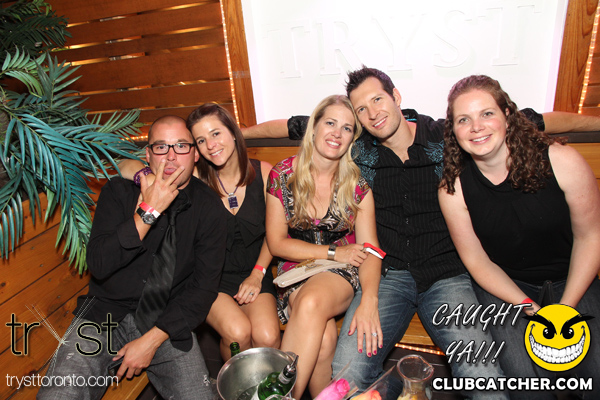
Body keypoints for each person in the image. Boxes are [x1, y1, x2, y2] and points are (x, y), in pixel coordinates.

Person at [37, 116, 227, 399]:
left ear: (195, 154)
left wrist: (151, 341)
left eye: (181, 146)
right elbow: (99, 264)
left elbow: (203, 288)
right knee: (59, 394)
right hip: (103, 316)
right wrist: (148, 212)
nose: (171, 156)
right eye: (161, 147)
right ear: (147, 155)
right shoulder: (118, 192)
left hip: (166, 323)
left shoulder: (209, 208)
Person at [438, 75, 600, 399]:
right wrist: (527, 306)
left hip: (573, 278)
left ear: (507, 116)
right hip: (507, 289)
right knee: (526, 385)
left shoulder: (561, 160)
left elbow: (591, 237)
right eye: (463, 120)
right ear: (453, 131)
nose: (476, 127)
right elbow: (478, 262)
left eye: (487, 114)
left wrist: (565, 310)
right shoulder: (452, 190)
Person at [119, 104, 280, 362]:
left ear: (234, 132)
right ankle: (234, 383)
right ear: (195, 150)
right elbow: (121, 163)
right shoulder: (192, 176)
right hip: (210, 279)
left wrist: (257, 274)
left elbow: (276, 233)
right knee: (238, 333)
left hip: (255, 271)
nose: (211, 145)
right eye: (201, 140)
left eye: (216, 134)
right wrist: (144, 178)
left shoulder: (264, 172)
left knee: (268, 336)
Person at [266, 95, 382, 399]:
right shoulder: (283, 175)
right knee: (324, 340)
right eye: (330, 123)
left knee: (311, 304)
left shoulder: (356, 186)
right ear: (314, 127)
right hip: (296, 268)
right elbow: (277, 243)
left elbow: (370, 249)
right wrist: (331, 251)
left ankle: (280, 396)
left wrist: (369, 299)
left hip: (341, 270)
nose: (337, 133)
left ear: (351, 139)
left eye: (347, 128)